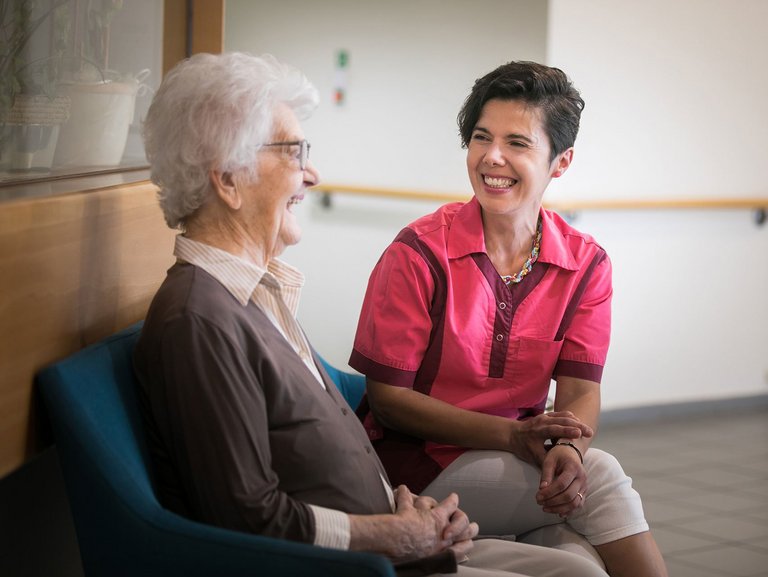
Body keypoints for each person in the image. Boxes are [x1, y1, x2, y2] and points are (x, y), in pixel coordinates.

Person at [132, 52, 610, 577]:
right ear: (228, 178)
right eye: (294, 153)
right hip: (362, 559)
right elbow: (245, 515)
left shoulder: (255, 295)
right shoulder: (199, 321)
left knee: (581, 567)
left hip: (397, 524)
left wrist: (407, 508)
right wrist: (391, 532)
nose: (311, 174)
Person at [349, 61, 669, 577]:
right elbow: (388, 402)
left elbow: (581, 389)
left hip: (519, 463)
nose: (492, 157)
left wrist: (567, 446)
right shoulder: (419, 252)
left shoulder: (586, 263)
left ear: (560, 162)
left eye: (517, 143)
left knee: (582, 566)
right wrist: (514, 438)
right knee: (603, 477)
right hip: (415, 469)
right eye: (481, 137)